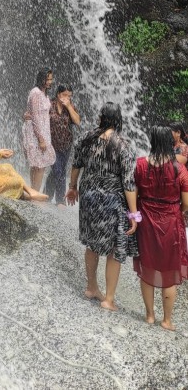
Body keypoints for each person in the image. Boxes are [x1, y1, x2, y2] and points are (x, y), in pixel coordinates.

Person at [66, 102, 139, 312]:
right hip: (111, 200)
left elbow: (76, 164)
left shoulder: (87, 138)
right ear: (118, 120)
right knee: (115, 247)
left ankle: (91, 287)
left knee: (92, 243)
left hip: (88, 196)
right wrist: (134, 214)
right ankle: (108, 299)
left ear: (101, 118)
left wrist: (72, 187)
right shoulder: (122, 145)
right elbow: (128, 182)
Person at [133, 125, 188, 331]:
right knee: (170, 270)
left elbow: (133, 192)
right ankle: (166, 320)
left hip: (146, 220)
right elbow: (187, 202)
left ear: (152, 141)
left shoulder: (140, 165)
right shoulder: (179, 169)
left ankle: (149, 315)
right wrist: (176, 210)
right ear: (169, 142)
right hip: (171, 222)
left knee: (147, 267)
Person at [45, 84, 81, 206]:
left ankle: (46, 194)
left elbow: (77, 121)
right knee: (58, 170)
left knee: (58, 171)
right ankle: (60, 200)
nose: (67, 98)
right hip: (51, 145)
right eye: (65, 95)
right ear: (58, 94)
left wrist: (69, 107)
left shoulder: (70, 107)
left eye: (69, 96)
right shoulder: (49, 104)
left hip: (66, 145)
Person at [22, 68, 56, 191]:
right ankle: (35, 193)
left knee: (37, 164)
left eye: (51, 79)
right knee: (39, 165)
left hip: (43, 132)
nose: (50, 82)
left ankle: (33, 191)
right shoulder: (35, 93)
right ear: (41, 79)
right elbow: (35, 117)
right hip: (37, 133)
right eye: (47, 79)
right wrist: (41, 138)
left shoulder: (43, 94)